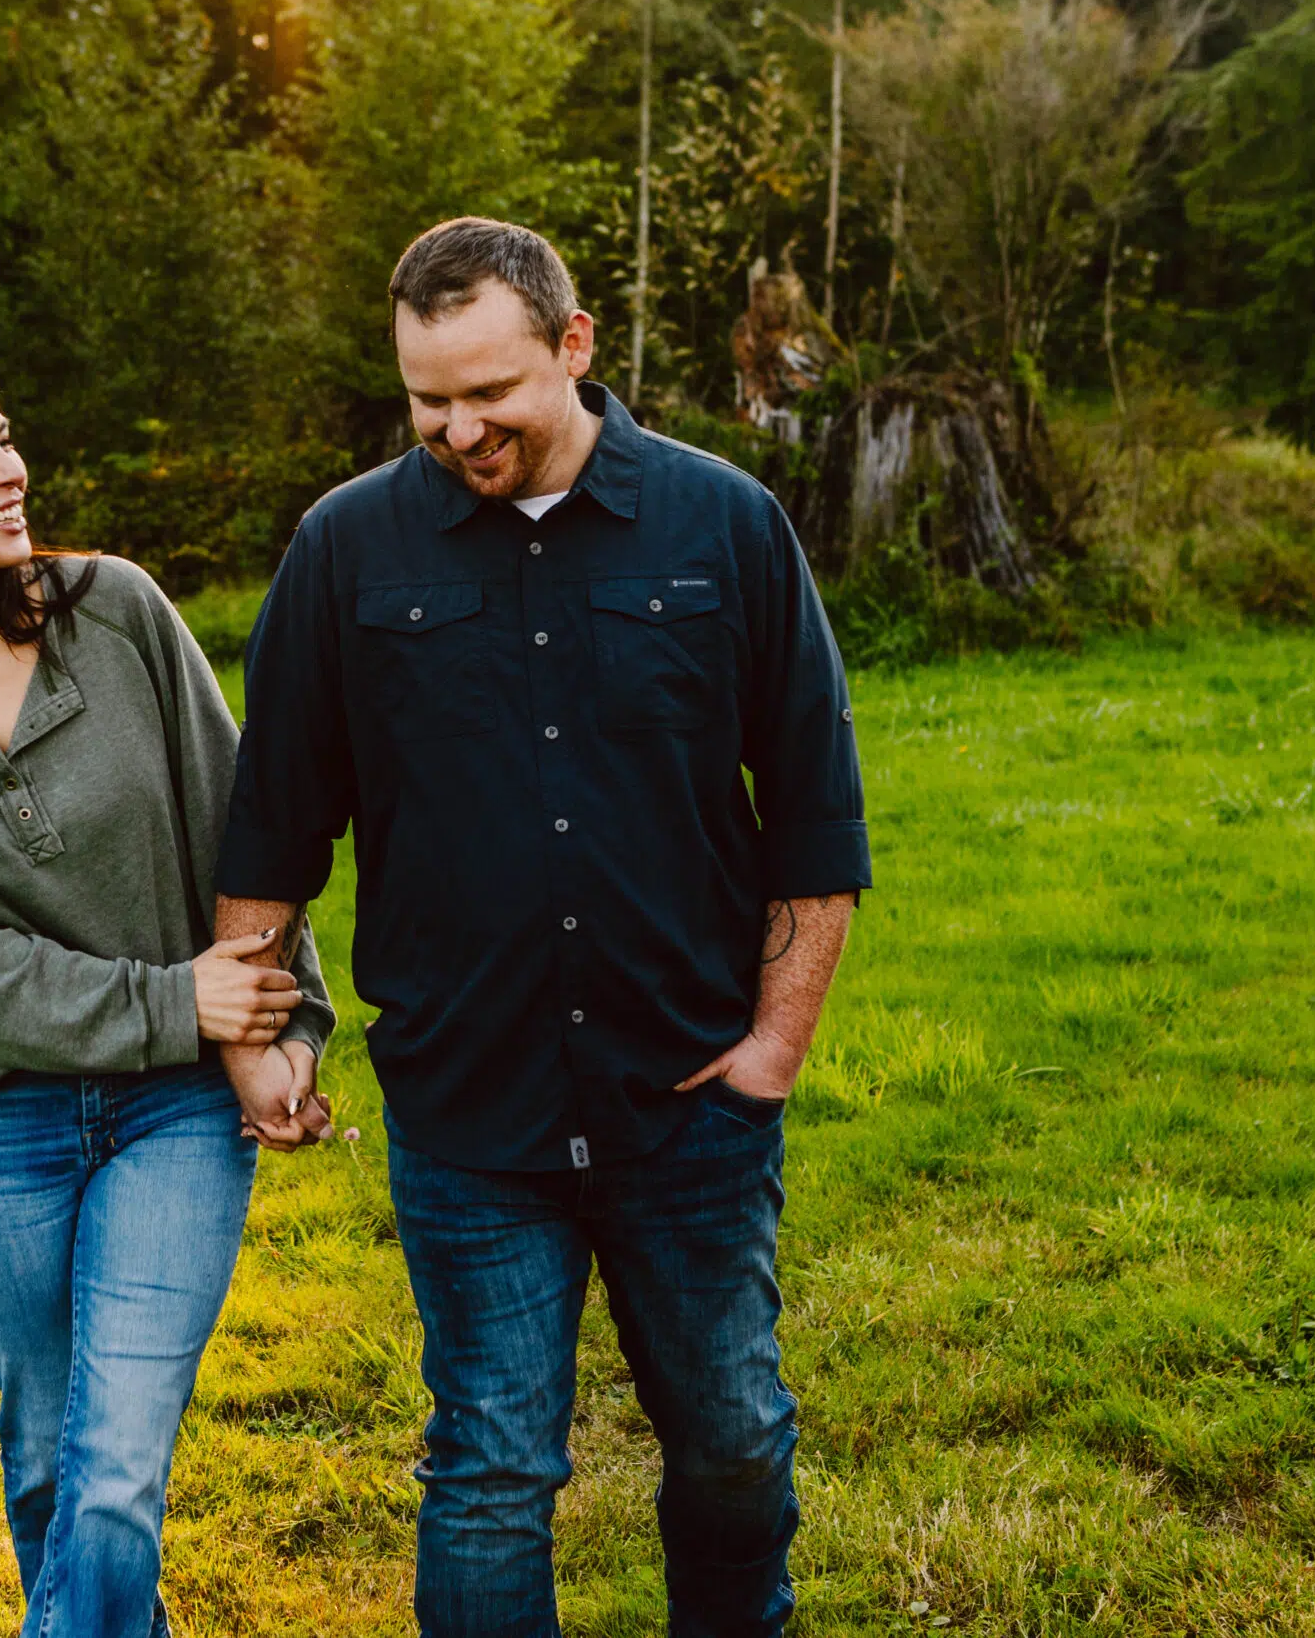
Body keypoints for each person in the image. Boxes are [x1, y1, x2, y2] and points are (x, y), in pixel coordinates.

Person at [212, 219, 869, 1635]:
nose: (459, 430)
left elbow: (816, 810)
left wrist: (773, 1049)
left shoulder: (725, 524)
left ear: (574, 346)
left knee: (735, 1439)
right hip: (468, 1106)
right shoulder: (346, 549)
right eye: (427, 400)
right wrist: (255, 1034)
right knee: (491, 1470)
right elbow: (273, 824)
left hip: (690, 1099)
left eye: (489, 392)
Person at [0, 347, 336, 1638]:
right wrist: (176, 1000)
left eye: (7, 438)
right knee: (47, 1455)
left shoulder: (116, 610)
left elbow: (244, 830)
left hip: (176, 1107)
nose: (12, 470)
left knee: (114, 1469)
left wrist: (283, 1023)